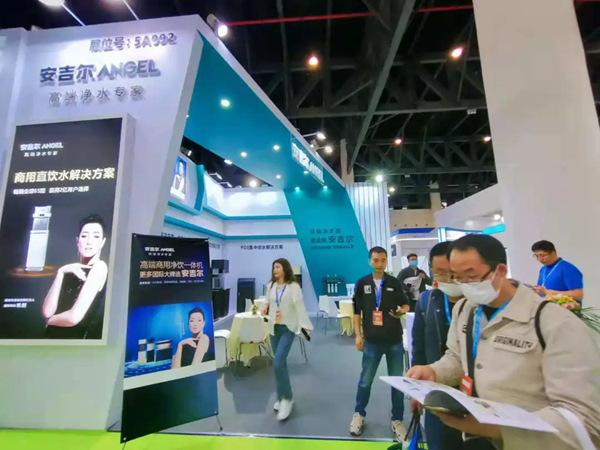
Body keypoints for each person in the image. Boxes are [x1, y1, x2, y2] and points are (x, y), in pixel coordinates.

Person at [407, 235, 600, 450]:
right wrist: (434, 371)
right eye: (457, 277)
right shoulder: (466, 310)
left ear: (500, 271)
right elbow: (457, 357)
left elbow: (582, 420)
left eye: (471, 276)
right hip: (477, 440)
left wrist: (497, 428)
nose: (464, 285)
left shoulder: (554, 323)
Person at [350, 246, 410, 442]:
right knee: (365, 381)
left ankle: (397, 420)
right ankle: (359, 414)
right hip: (372, 342)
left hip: (394, 341)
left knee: (397, 383)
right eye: (376, 260)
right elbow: (356, 312)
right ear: (369, 261)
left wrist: (402, 310)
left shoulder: (394, 282)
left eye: (383, 260)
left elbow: (405, 303)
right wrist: (358, 335)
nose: (379, 264)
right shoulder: (362, 283)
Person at [411, 241, 464, 450]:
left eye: (451, 273)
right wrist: (416, 390)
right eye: (439, 273)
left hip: (474, 396)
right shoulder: (427, 301)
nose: (447, 279)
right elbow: (418, 348)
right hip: (436, 392)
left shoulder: (478, 303)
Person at [261, 258, 313, 421]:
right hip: (273, 328)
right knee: (280, 364)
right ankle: (281, 396)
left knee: (277, 363)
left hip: (288, 328)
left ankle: (288, 398)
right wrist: (264, 307)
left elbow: (300, 307)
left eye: (277, 267)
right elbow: (267, 300)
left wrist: (305, 326)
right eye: (273, 267)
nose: (274, 270)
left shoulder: (293, 287)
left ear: (285, 269)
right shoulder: (271, 285)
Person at [42, 214, 108, 339]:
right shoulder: (70, 269)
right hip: (49, 339)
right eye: (84, 236)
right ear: (78, 241)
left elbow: (74, 317)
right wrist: (60, 272)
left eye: (96, 236)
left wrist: (49, 321)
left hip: (73, 340)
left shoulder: (99, 267)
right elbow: (46, 312)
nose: (89, 242)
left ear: (102, 242)